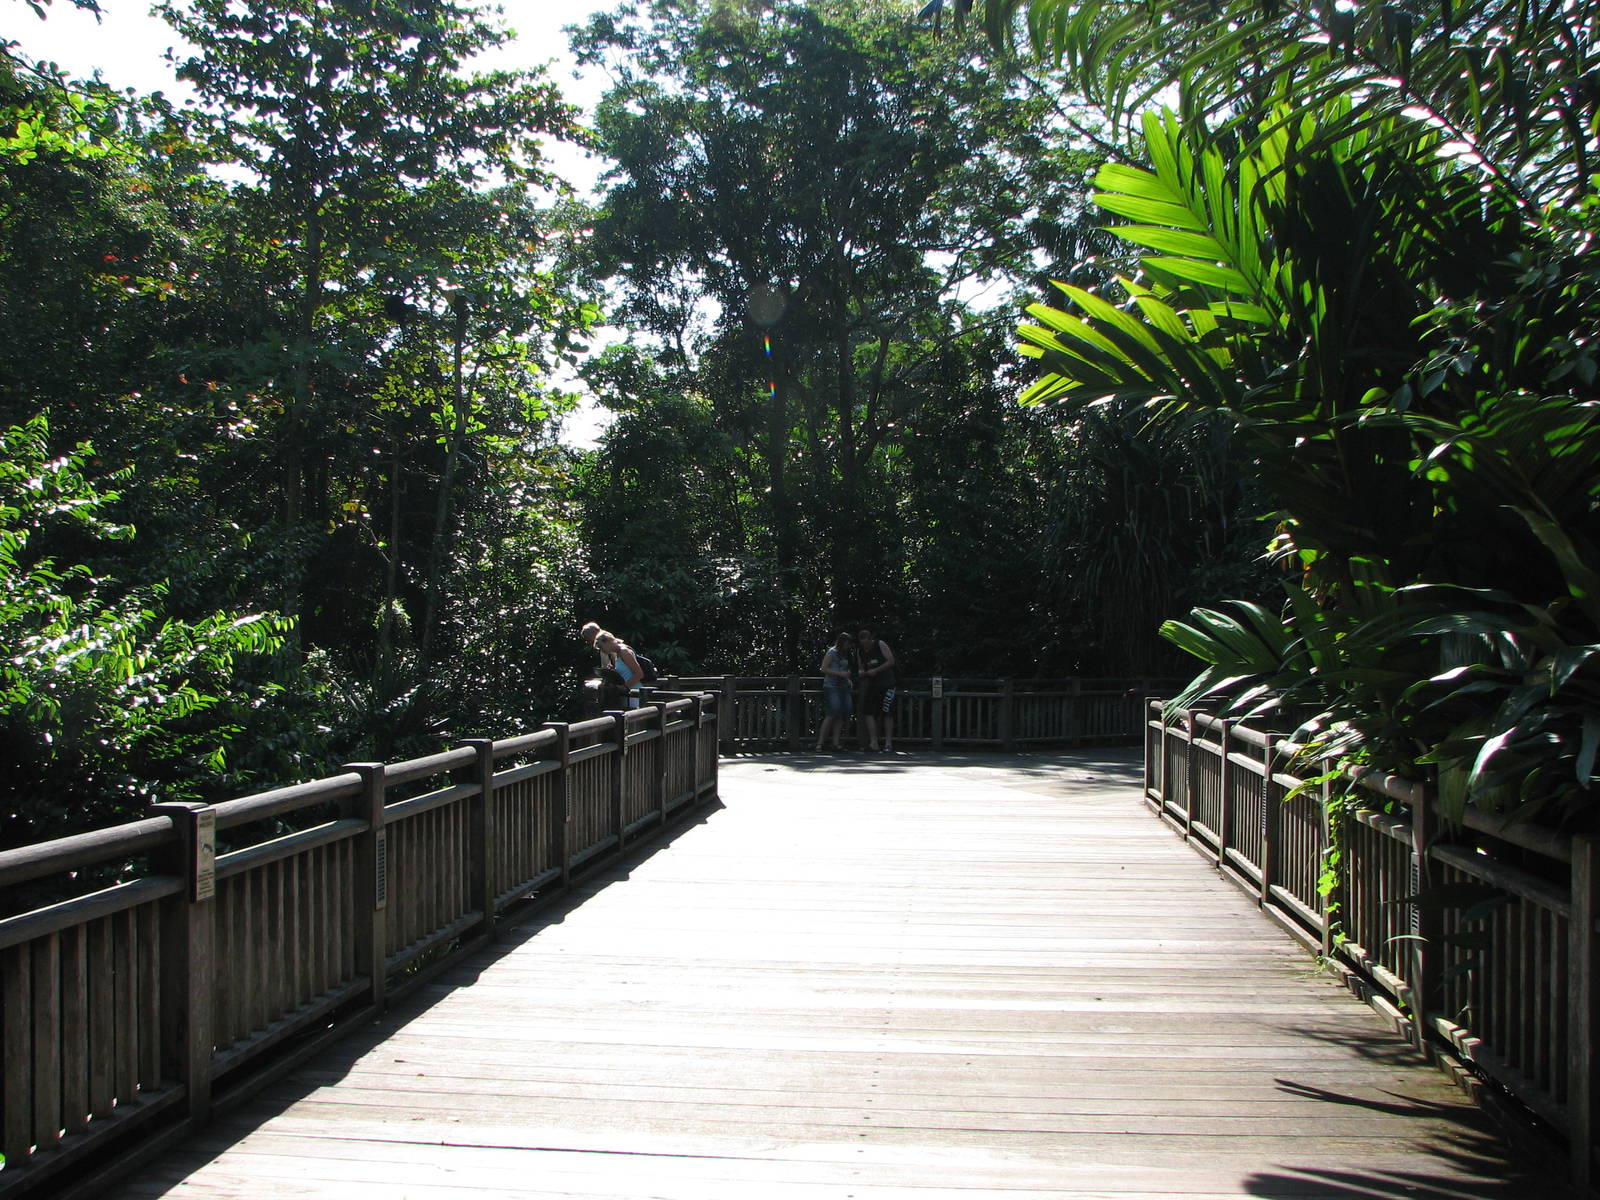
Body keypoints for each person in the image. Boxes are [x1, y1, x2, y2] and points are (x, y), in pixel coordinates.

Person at [856, 628, 898, 752]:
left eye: (867, 643)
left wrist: (876, 670)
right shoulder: (860, 652)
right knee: (868, 712)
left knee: (888, 712)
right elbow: (861, 667)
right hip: (872, 684)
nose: (865, 645)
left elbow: (891, 661)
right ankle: (874, 742)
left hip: (887, 683)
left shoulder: (880, 644)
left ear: (870, 639)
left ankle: (888, 743)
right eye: (862, 643)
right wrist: (862, 672)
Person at [584, 624, 645, 710]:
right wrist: (613, 671)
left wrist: (624, 687)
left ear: (607, 641)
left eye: (601, 647)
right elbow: (626, 672)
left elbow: (639, 674)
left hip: (634, 694)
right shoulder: (617, 654)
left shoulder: (624, 651)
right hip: (626, 694)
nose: (602, 651)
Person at [815, 633, 854, 751]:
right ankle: (820, 743)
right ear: (842, 643)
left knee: (841, 714)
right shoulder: (831, 652)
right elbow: (823, 668)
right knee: (831, 713)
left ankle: (836, 743)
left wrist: (848, 678)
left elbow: (843, 669)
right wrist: (839, 674)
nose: (849, 646)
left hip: (843, 686)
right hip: (831, 686)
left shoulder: (844, 654)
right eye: (847, 644)